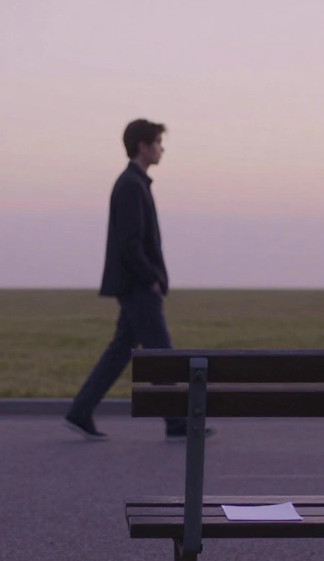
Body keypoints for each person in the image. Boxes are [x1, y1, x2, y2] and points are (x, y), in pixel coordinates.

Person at [64, 120, 214, 442]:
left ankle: (80, 411)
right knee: (162, 354)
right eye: (158, 142)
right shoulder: (131, 185)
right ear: (143, 146)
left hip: (135, 284)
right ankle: (177, 423)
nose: (162, 148)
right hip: (138, 286)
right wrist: (151, 279)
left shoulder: (134, 183)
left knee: (121, 350)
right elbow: (131, 243)